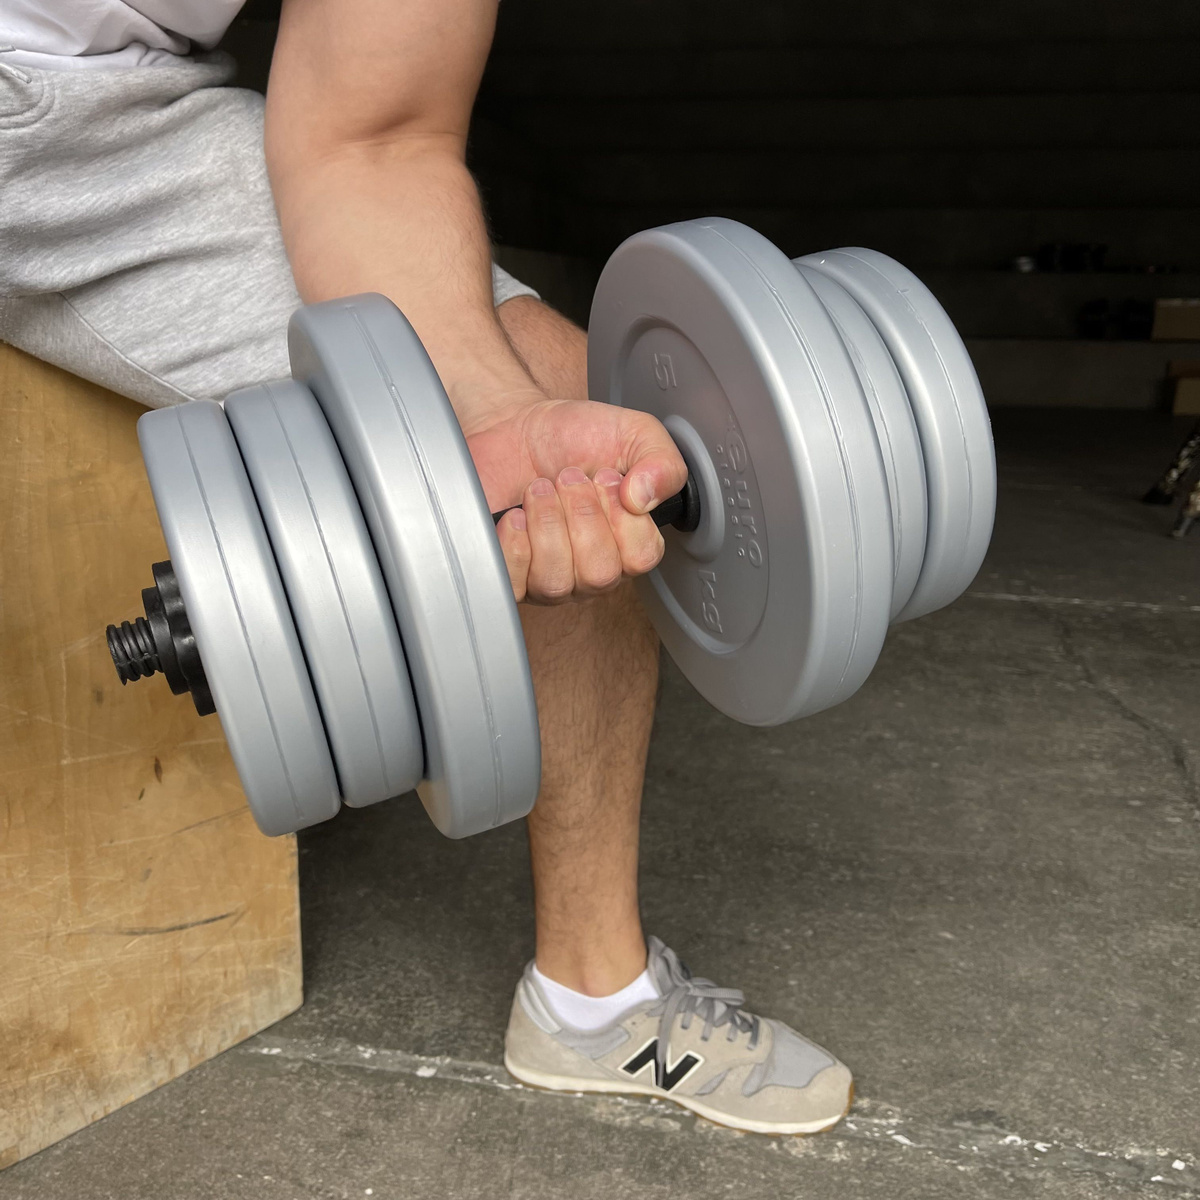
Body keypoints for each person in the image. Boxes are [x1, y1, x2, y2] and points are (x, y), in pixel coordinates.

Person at [0, 0, 853, 1134]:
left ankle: (594, 1001)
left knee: (562, 410)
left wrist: (490, 418)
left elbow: (378, 135)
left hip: (95, 114)